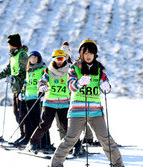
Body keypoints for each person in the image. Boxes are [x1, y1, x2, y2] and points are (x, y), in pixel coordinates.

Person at [50, 39, 124, 167]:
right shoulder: (74, 68)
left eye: (91, 53)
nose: (88, 56)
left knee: (105, 138)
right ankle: (55, 164)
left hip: (95, 111)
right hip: (77, 111)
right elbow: (70, 86)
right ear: (81, 54)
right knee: (70, 139)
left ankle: (117, 164)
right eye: (85, 53)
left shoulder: (100, 69)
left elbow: (105, 84)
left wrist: (106, 87)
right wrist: (78, 83)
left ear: (95, 54)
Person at [26, 49, 82, 154]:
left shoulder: (69, 70)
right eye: (57, 59)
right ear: (54, 59)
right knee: (44, 124)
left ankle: (78, 146)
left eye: (62, 58)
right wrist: (42, 87)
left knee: (67, 126)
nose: (60, 61)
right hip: (50, 102)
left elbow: (75, 81)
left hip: (64, 103)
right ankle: (32, 144)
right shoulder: (49, 70)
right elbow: (41, 81)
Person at [0, 33, 29, 145]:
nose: (9, 46)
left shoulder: (22, 55)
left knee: (23, 112)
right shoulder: (13, 56)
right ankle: (22, 134)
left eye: (10, 44)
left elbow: (24, 72)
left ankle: (27, 135)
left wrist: (14, 78)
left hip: (22, 88)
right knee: (16, 112)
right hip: (15, 88)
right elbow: (7, 70)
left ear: (13, 44)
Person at [21, 51, 51, 149]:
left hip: (38, 97)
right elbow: (26, 82)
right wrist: (23, 91)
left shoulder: (43, 69)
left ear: (39, 59)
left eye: (35, 57)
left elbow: (46, 80)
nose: (33, 59)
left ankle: (46, 143)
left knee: (40, 121)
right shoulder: (28, 70)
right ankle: (36, 142)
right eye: (31, 57)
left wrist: (44, 92)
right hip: (29, 97)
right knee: (32, 121)